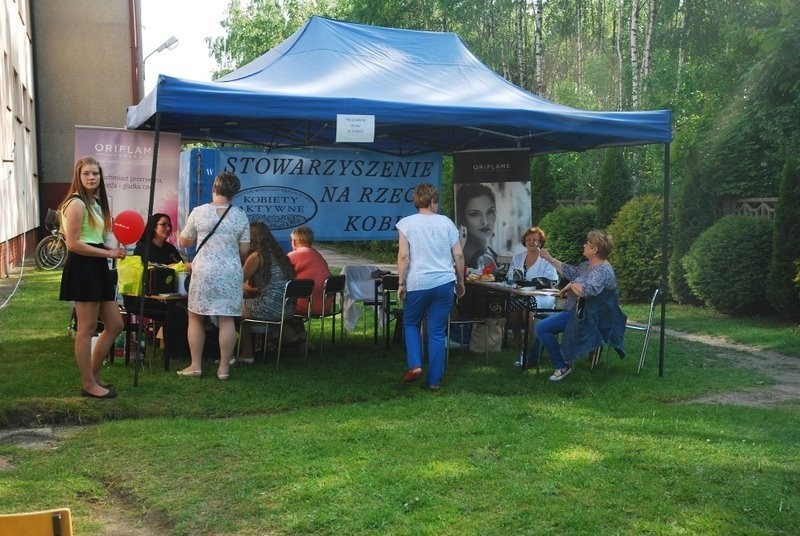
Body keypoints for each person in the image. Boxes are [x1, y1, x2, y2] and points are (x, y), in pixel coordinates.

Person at [59, 156, 126, 398]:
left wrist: (114, 251)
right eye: (86, 173)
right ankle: (88, 384)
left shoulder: (95, 202)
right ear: (78, 176)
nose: (91, 177)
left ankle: (94, 376)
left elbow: (97, 239)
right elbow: (74, 244)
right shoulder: (76, 203)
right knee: (86, 329)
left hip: (97, 267)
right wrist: (108, 252)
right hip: (83, 267)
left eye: (95, 174)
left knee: (116, 324)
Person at [178, 171, 250, 380]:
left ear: (214, 188)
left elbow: (185, 241)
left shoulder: (199, 212)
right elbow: (244, 250)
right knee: (227, 318)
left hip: (204, 271)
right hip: (230, 271)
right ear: (233, 193)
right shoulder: (240, 215)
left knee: (195, 317)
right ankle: (224, 369)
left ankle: (196, 366)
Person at [397, 183, 466, 390]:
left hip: (418, 282)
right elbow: (459, 255)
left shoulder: (406, 223)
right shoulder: (446, 223)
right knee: (437, 332)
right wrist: (461, 281)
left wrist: (401, 283)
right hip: (444, 283)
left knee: (411, 324)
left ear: (417, 201)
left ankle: (415, 365)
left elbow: (404, 256)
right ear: (433, 201)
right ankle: (434, 382)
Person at [527, 230, 620, 381]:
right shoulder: (587, 265)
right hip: (575, 312)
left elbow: (588, 291)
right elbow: (570, 271)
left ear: (595, 249)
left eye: (587, 244)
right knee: (543, 325)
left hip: (587, 317)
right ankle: (530, 361)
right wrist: (549, 258)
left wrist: (571, 285)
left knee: (541, 327)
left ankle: (561, 365)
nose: (584, 245)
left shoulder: (603, 270)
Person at [238, 222, 300, 362]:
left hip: (270, 308)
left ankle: (240, 354)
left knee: (229, 308)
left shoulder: (256, 257)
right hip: (287, 308)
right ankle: (255, 348)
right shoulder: (279, 256)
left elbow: (236, 281)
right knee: (244, 306)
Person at [507, 227, 559, 350]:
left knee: (530, 305)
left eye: (534, 240)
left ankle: (533, 343)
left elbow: (553, 281)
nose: (531, 242)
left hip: (541, 295)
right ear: (524, 242)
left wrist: (535, 284)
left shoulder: (545, 258)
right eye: (528, 239)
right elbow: (510, 276)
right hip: (520, 293)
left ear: (540, 242)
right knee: (510, 304)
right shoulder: (518, 257)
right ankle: (517, 338)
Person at [287, 226, 331, 316]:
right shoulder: (319, 256)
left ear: (294, 241)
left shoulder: (292, 256)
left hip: (303, 306)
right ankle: (297, 329)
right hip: (325, 307)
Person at [455, 183, 497, 270]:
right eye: (475, 214)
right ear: (462, 218)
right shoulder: (480, 258)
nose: (485, 221)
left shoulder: (489, 251)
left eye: (490, 212)